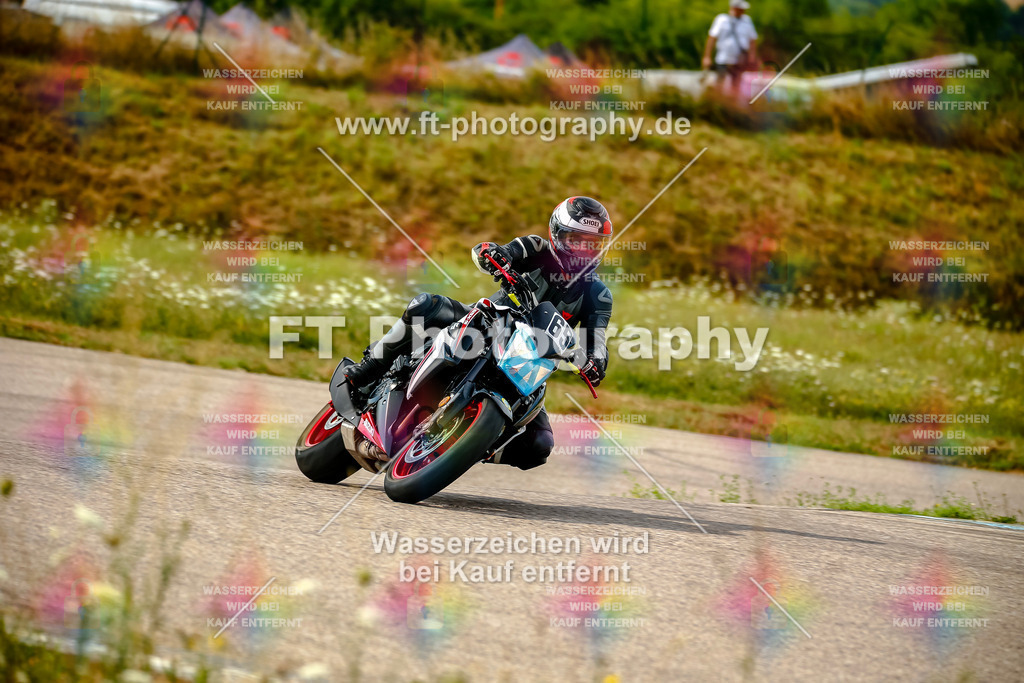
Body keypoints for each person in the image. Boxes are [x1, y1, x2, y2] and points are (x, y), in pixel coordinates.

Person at [343, 196, 615, 471]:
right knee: (424, 306)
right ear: (557, 234)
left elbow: (597, 340)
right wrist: (493, 254)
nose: (583, 250)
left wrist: (595, 362)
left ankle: (467, 445)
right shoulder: (535, 249)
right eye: (576, 240)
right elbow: (494, 250)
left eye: (591, 244)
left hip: (529, 364)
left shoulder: (598, 295)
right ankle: (370, 369)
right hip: (486, 322)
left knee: (539, 446)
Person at [702, 0, 759, 94]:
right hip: (722, 58)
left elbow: (752, 40)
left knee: (736, 86)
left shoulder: (747, 21)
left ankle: (732, 105)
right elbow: (712, 38)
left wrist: (752, 57)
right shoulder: (722, 19)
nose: (743, 11)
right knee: (720, 83)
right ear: (734, 8)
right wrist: (707, 57)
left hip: (739, 60)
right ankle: (717, 104)